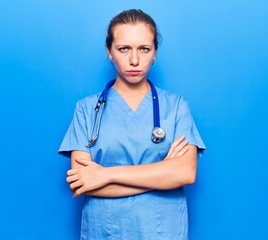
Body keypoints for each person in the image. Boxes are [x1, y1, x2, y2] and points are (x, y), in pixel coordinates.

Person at [59, 9, 206, 240]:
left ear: (155, 52)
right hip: (104, 232)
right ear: (109, 51)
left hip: (163, 232)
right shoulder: (87, 110)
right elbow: (83, 182)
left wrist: (106, 174)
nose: (134, 60)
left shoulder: (177, 106)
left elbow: (185, 173)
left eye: (144, 49)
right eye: (123, 48)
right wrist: (161, 172)